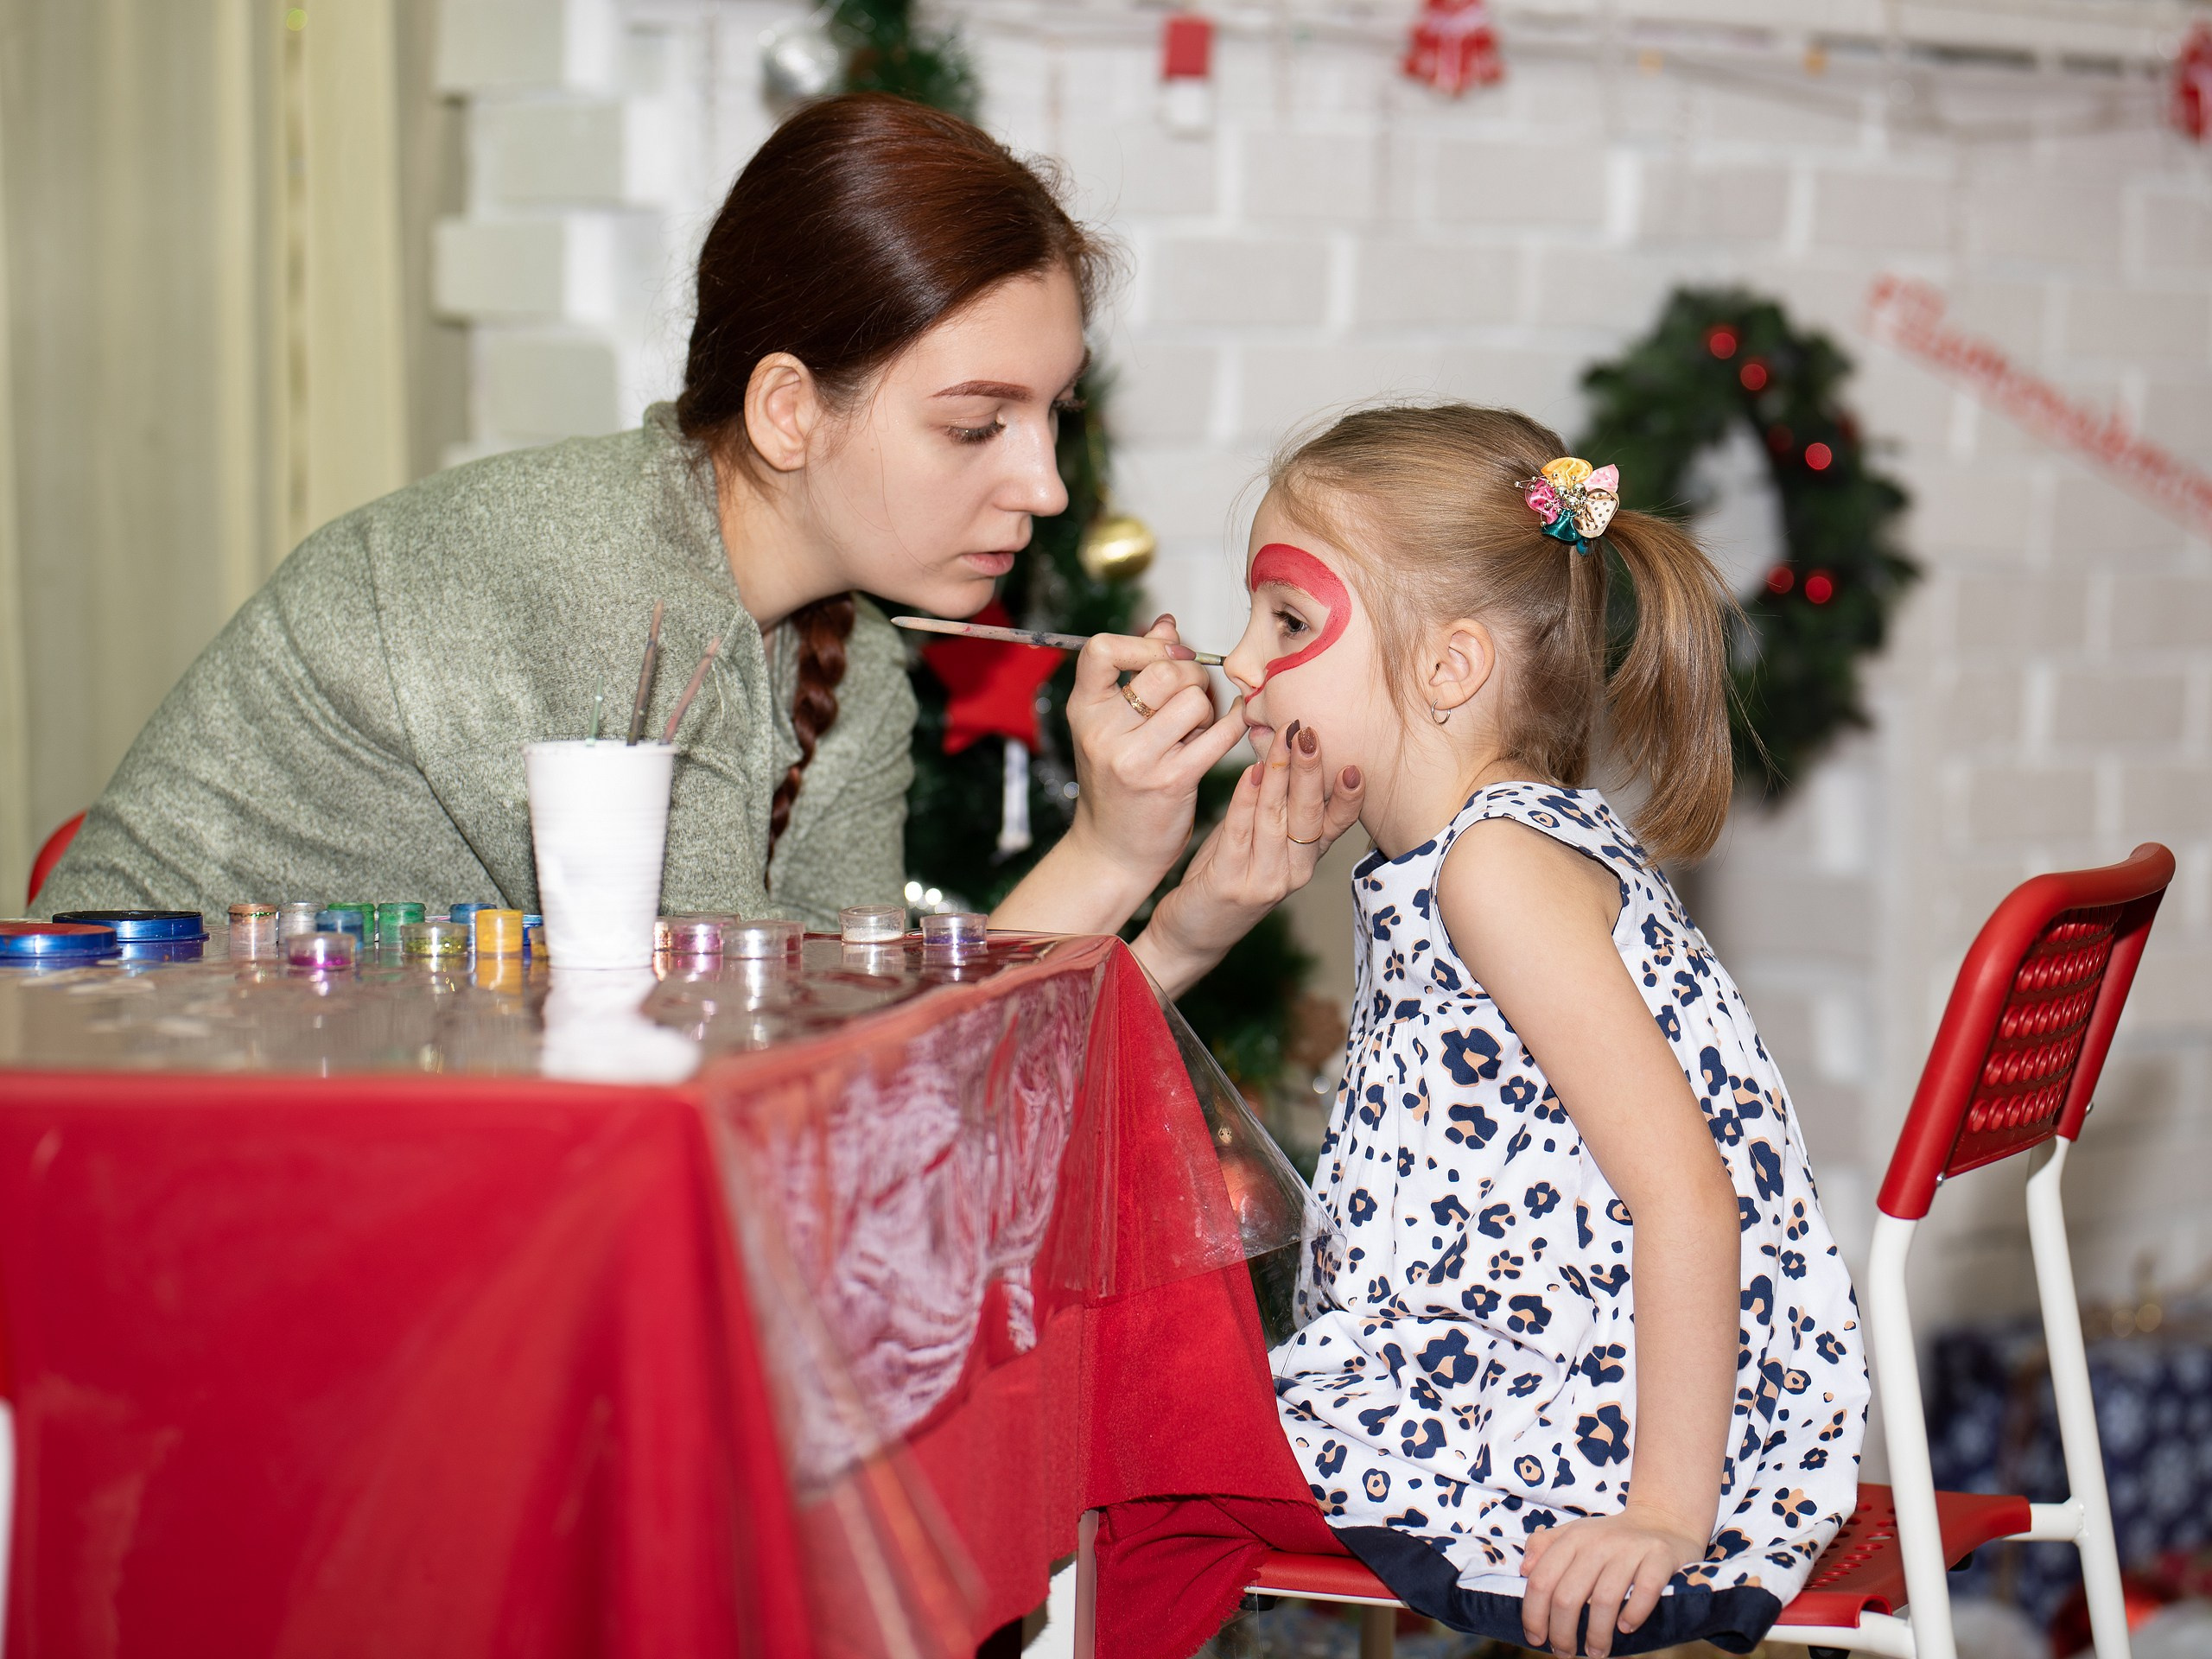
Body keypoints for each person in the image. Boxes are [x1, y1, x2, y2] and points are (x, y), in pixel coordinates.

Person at [37, 94, 1285, 950]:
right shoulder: (589, 581)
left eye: (1053, 415)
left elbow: (857, 1065)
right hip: (128, 1144)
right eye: (976, 426)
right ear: (789, 411)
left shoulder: (850, 677)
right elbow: (723, 1054)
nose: (1047, 487)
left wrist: (1120, 854)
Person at [1146, 403, 1868, 1655]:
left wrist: (1662, 1517)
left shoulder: (1496, 870)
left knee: (1140, 1449)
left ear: (1449, 666)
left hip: (1588, 1414)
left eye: (1290, 621)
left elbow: (1687, 1195)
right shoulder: (1502, 835)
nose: (1241, 663)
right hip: (1514, 1365)